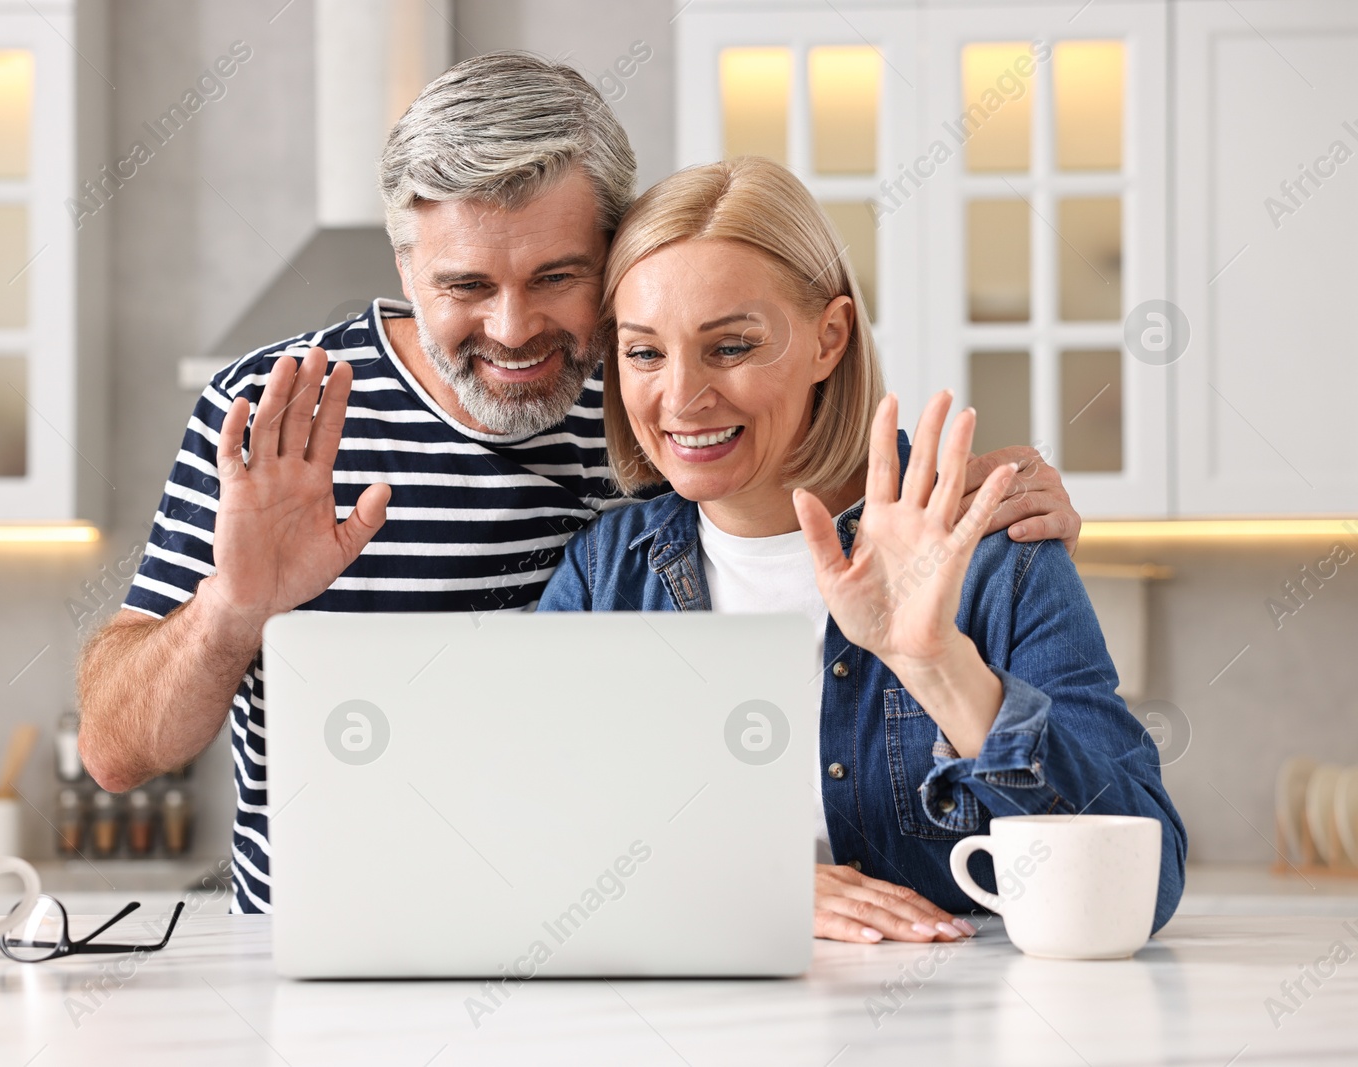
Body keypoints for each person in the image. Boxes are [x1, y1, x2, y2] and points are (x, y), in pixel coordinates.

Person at [77, 53, 1085, 915]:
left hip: (599, 943)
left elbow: (817, 497)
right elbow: (118, 753)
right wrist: (232, 607)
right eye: (465, 286)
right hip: (325, 939)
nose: (513, 329)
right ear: (404, 261)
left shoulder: (666, 402)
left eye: (556, 278)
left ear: (615, 252)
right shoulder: (276, 411)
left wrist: (980, 502)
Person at [536, 156, 1186, 943]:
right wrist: (750, 881)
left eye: (731, 346)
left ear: (829, 338)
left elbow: (1140, 886)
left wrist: (941, 665)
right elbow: (536, 844)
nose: (680, 397)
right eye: (644, 353)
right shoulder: (607, 573)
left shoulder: (986, 552)